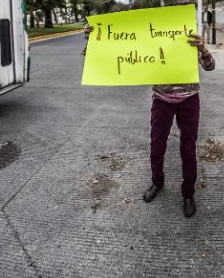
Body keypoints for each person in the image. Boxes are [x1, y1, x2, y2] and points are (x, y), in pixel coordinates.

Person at [83, 24, 215, 217]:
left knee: (188, 150)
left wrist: (203, 49)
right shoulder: (151, 43)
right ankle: (157, 182)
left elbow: (210, 67)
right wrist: (95, 43)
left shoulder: (189, 41)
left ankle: (188, 194)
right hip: (161, 100)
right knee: (156, 146)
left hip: (189, 101)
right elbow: (121, 55)